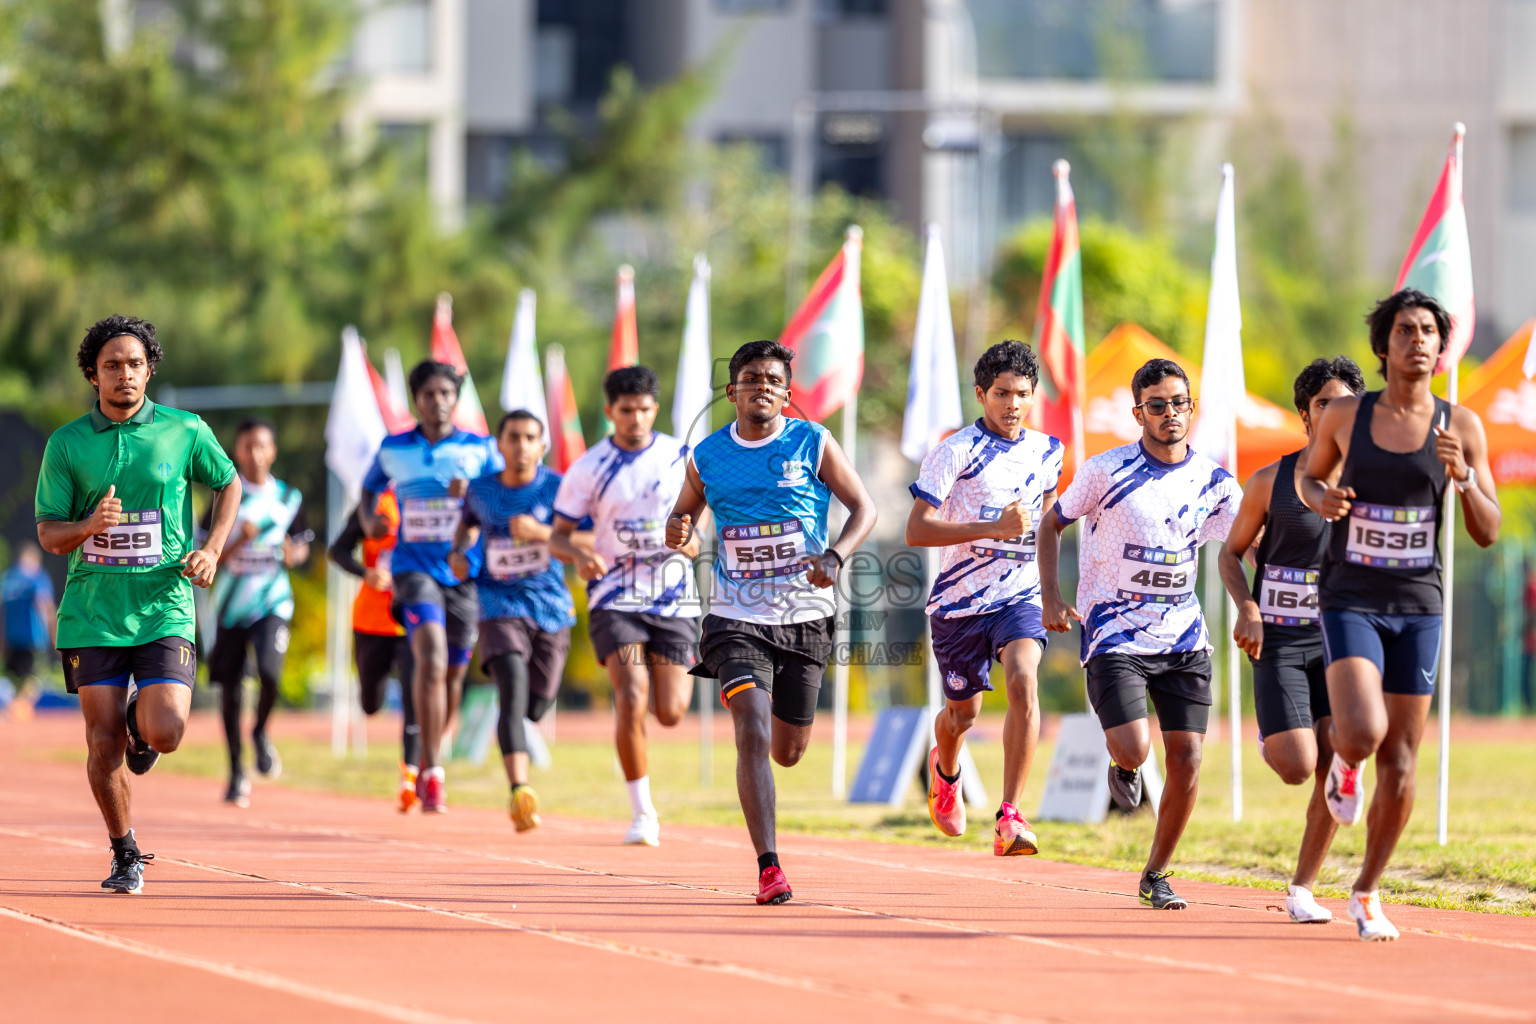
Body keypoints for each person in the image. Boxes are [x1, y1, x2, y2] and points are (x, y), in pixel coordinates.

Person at [1300, 289, 1500, 941]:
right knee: (1360, 730)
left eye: (1428, 331)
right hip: (1351, 593)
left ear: (1442, 350)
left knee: (1405, 760)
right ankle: (1344, 763)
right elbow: (1307, 477)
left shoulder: (1460, 426)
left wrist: (1465, 477)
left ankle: (1366, 892)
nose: (1417, 339)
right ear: (1383, 347)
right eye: (1404, 330)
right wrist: (1322, 497)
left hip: (1420, 604)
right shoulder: (1345, 416)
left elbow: (1489, 530)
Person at [666, 339, 876, 905]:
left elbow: (865, 507)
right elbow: (683, 515)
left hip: (806, 616)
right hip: (734, 617)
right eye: (751, 378)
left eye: (774, 380)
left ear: (787, 392)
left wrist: (834, 556)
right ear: (731, 390)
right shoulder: (707, 454)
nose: (763, 386)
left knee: (787, 749)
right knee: (752, 728)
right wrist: (678, 532)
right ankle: (769, 866)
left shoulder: (812, 441)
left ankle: (772, 834)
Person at [35, 315, 240, 894]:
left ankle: (140, 728)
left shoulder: (185, 430)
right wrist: (89, 525)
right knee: (101, 744)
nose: (123, 375)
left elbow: (229, 483)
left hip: (164, 603)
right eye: (110, 366)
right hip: (94, 611)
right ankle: (125, 852)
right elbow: (50, 534)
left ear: (149, 369)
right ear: (92, 376)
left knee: (168, 730)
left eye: (133, 364)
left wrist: (213, 549)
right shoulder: (68, 444)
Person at [1038, 358, 1240, 911]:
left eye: (1179, 403)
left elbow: (1243, 546)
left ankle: (1157, 872)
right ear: (1138, 413)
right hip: (1115, 631)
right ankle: (1122, 763)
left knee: (1189, 760)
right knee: (1135, 746)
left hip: (1184, 635)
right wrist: (1052, 597)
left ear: (1191, 408)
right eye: (1158, 405)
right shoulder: (1105, 470)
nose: (1170, 413)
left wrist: (1255, 605)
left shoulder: (1216, 481)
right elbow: (1051, 524)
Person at [1216, 357, 1366, 924]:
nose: (1337, 411)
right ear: (1306, 414)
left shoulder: (1369, 481)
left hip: (1342, 642)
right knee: (1297, 765)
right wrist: (1248, 606)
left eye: (1348, 401)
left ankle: (1302, 888)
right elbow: (1231, 553)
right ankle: (1274, 736)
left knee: (1338, 762)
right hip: (1278, 640)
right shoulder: (1271, 481)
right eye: (1325, 402)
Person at [905, 340, 1062, 855]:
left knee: (1023, 680)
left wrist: (1054, 594)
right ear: (980, 394)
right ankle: (945, 768)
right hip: (958, 604)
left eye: (1021, 393)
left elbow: (1049, 525)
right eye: (1000, 393)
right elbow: (917, 529)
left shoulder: (1049, 451)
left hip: (1019, 598)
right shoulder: (952, 452)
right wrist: (991, 528)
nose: (1012, 404)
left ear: (1034, 394)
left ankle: (1010, 816)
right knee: (962, 716)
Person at [549, 366, 701, 846]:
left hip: (674, 599)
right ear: (610, 410)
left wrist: (690, 543)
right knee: (630, 695)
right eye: (626, 410)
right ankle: (642, 813)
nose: (635, 418)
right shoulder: (589, 468)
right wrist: (578, 552)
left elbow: (699, 528)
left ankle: (648, 758)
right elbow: (558, 536)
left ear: (654, 409)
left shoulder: (682, 456)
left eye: (644, 409)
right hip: (615, 598)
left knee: (671, 711)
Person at [359, 361, 500, 813]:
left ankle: (429, 759)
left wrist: (473, 495)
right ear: (416, 399)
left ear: (455, 399)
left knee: (454, 674)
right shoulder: (393, 447)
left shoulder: (481, 449)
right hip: (413, 570)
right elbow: (367, 492)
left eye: (446, 393)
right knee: (431, 659)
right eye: (428, 394)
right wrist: (370, 520)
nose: (438, 401)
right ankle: (432, 770)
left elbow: (502, 498)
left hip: (463, 573)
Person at [453, 410, 587, 832]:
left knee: (536, 704)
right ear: (500, 444)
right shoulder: (480, 491)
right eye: (513, 437)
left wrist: (542, 534)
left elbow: (590, 539)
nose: (521, 446)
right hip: (497, 603)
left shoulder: (559, 487)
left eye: (530, 438)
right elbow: (464, 528)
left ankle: (521, 759)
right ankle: (519, 791)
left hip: (550, 606)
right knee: (511, 689)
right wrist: (459, 554)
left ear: (542, 445)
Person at [203, 417, 312, 807]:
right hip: (231, 607)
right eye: (248, 446)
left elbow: (301, 546)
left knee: (270, 674)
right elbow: (205, 556)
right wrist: (237, 543)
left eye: (262, 446)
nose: (256, 454)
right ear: (237, 451)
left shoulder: (288, 498)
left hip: (272, 603)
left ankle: (261, 731)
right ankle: (236, 772)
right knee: (231, 691)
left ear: (273, 451)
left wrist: (293, 554)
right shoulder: (223, 497)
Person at [329, 488, 422, 811]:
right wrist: (366, 573)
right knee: (371, 702)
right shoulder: (374, 504)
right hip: (371, 621)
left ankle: (409, 778)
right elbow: (337, 551)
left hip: (413, 618)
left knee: (415, 698)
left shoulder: (429, 501)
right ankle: (372, 701)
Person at [2, 543, 56, 720]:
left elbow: (2, 612)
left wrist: (2, 639)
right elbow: (44, 606)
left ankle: (16, 706)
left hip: (11, 637)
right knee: (35, 677)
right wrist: (54, 634)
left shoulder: (8, 578)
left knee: (14, 675)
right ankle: (18, 706)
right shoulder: (37, 577)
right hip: (33, 637)